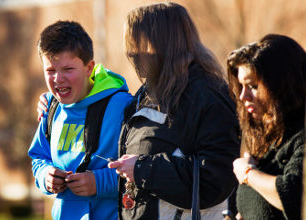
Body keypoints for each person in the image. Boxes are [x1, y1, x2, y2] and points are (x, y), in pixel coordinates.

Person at [107, 2, 241, 219]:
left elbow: (215, 178)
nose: (131, 54)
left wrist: (143, 169)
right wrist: (53, 103)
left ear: (163, 44)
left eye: (139, 44)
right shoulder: (148, 92)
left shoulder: (207, 95)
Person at [28, 20, 132, 220]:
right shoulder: (50, 107)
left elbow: (145, 170)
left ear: (89, 68)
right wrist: (45, 176)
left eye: (67, 69)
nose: (58, 79)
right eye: (50, 70)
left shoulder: (122, 106)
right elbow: (38, 158)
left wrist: (98, 183)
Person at [227, 34, 306, 220]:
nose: (243, 96)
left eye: (253, 86)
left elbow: (293, 196)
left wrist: (247, 174)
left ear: (283, 86)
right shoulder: (272, 139)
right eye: (241, 86)